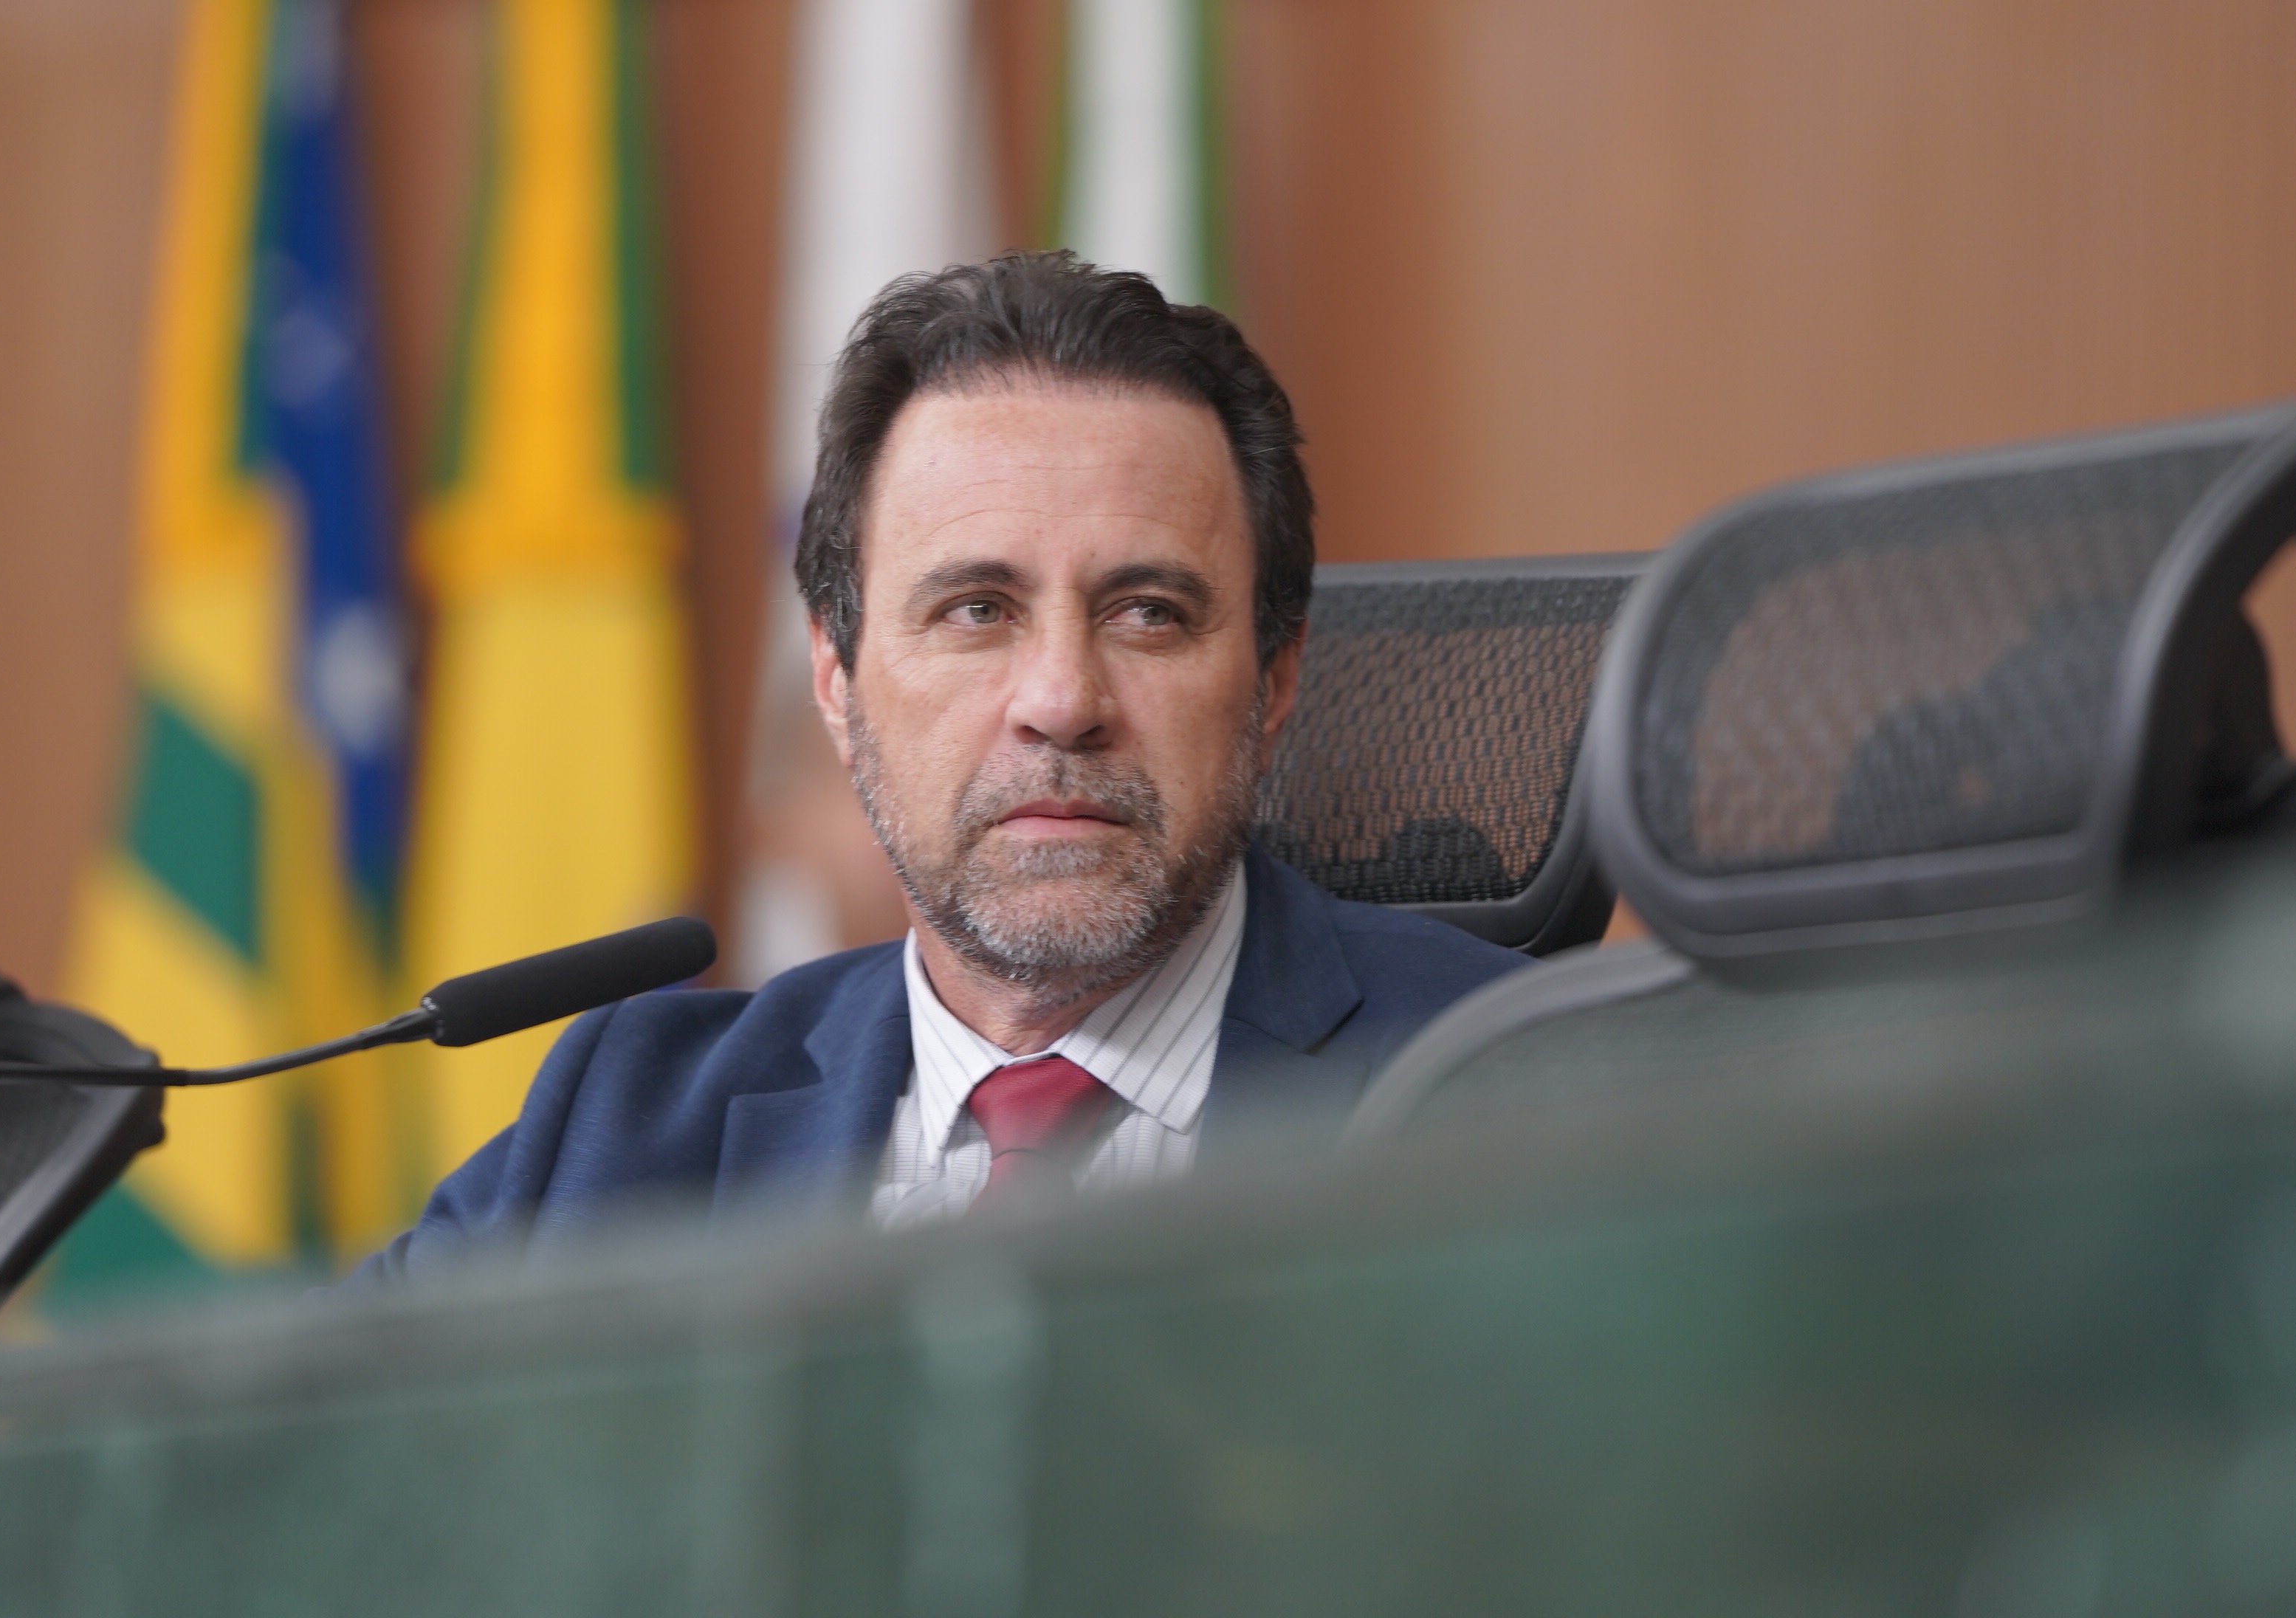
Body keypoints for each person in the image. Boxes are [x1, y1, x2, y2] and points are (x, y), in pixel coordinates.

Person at [352, 252, 1520, 1276]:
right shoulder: (621, 1129)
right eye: (976, 611)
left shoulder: (1510, 1092)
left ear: (1274, 680)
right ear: (836, 678)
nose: (1061, 702)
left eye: (1149, 613)